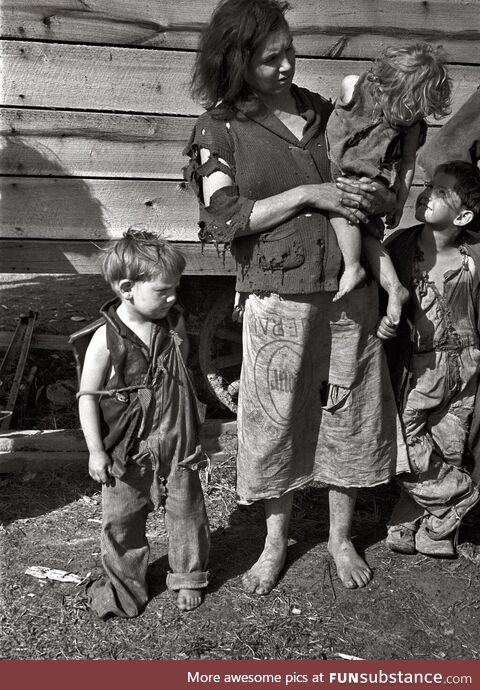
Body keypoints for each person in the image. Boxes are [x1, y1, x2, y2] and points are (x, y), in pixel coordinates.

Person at [184, 0, 409, 592]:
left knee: (350, 412)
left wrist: (381, 188)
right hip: (275, 294)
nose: (286, 66)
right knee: (274, 419)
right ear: (236, 62)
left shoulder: (323, 112)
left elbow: (368, 190)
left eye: (289, 51)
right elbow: (222, 217)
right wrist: (312, 193)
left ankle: (338, 539)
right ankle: (274, 542)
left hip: (345, 287)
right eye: (269, 59)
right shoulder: (220, 128)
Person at [76, 228, 210, 618]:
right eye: (163, 290)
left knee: (187, 512)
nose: (173, 297)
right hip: (128, 447)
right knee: (121, 521)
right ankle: (123, 586)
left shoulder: (171, 324)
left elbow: (180, 375)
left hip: (176, 439)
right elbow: (87, 397)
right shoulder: (105, 339)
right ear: (126, 288)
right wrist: (96, 450)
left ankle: (188, 576)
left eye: (176, 289)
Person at [378, 161, 480, 557]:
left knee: (449, 441)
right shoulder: (400, 247)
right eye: (428, 185)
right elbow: (380, 299)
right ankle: (462, 496)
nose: (426, 192)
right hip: (419, 367)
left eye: (440, 192)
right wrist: (384, 326)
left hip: (467, 363)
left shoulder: (474, 255)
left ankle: (426, 527)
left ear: (465, 216)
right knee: (402, 443)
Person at [326, 43, 451, 306]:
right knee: (367, 233)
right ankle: (395, 288)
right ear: (389, 88)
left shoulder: (412, 125)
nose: (413, 117)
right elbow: (336, 120)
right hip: (335, 165)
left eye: (420, 113)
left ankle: (354, 267)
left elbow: (406, 164)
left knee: (346, 211)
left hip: (368, 177)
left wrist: (398, 200)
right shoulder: (354, 87)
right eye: (410, 108)